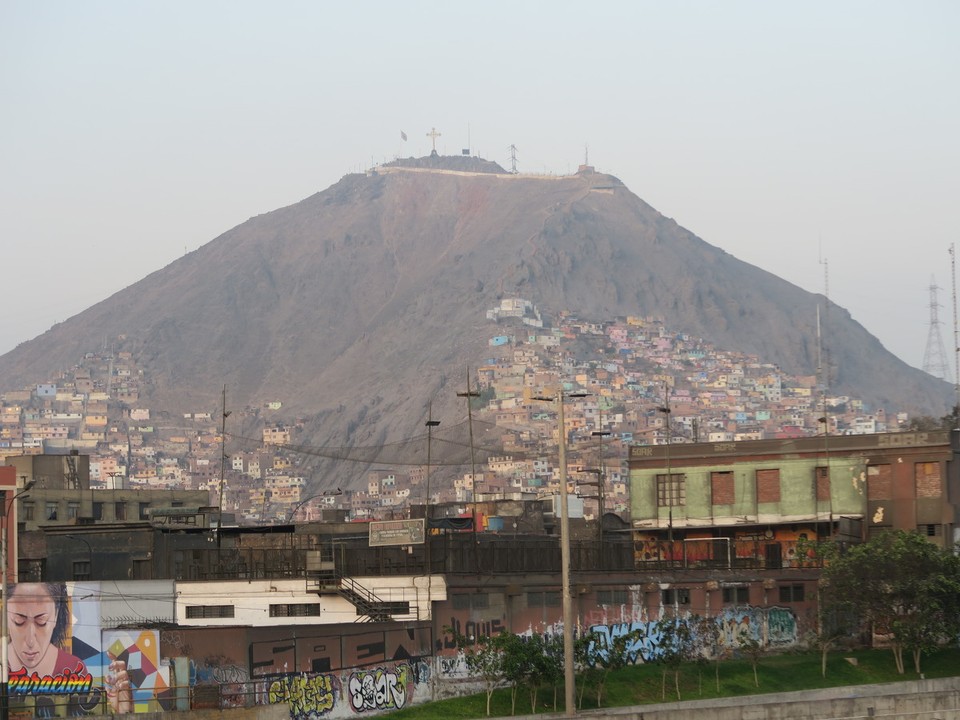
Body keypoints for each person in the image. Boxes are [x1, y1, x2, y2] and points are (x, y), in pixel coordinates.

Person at [6, 582, 132, 713]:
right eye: (19, 621)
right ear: (6, 616)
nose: (30, 640)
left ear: (56, 614)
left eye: (41, 622)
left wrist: (121, 710)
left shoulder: (73, 667)